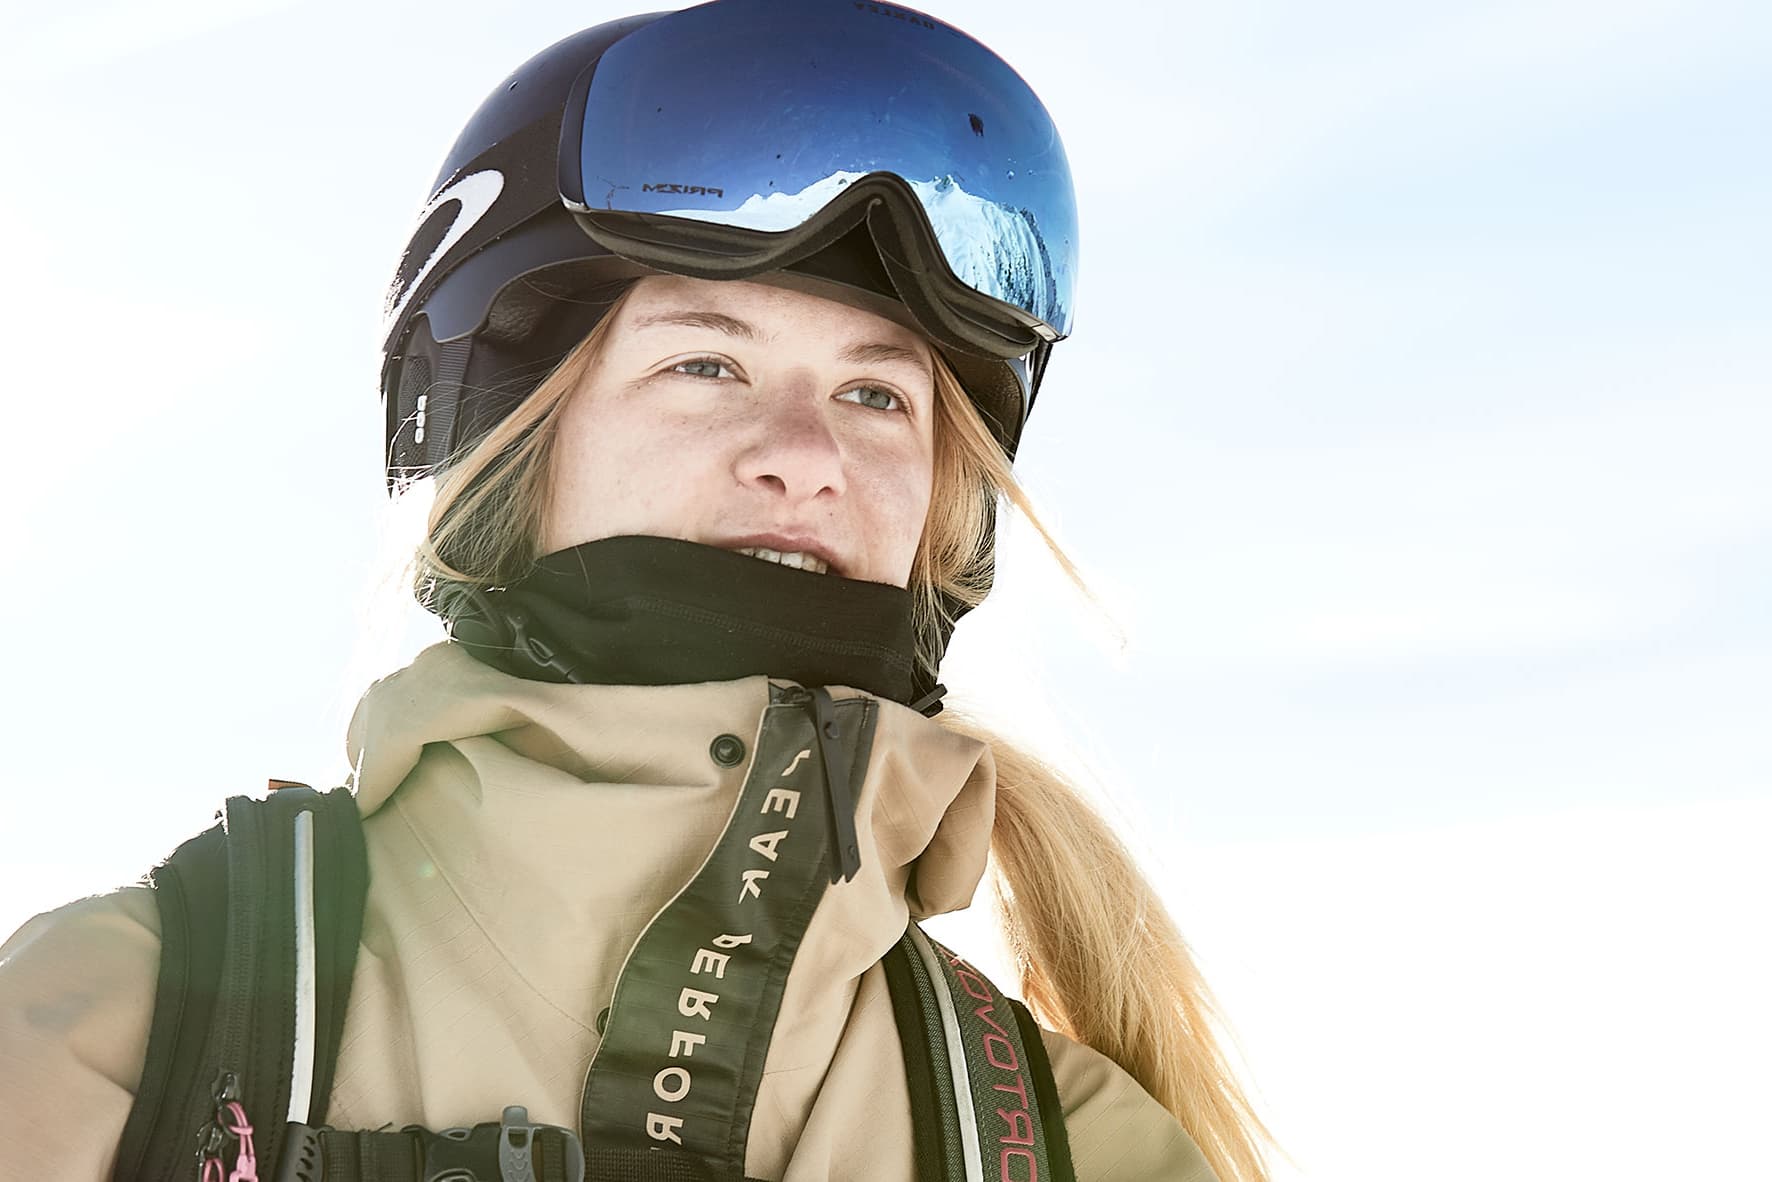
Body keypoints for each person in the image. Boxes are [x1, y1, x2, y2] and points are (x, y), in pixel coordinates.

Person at [0, 2, 1270, 1179]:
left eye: (876, 394)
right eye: (707, 364)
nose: (806, 454)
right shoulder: (124, 1027)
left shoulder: (1063, 1143)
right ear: (508, 444)